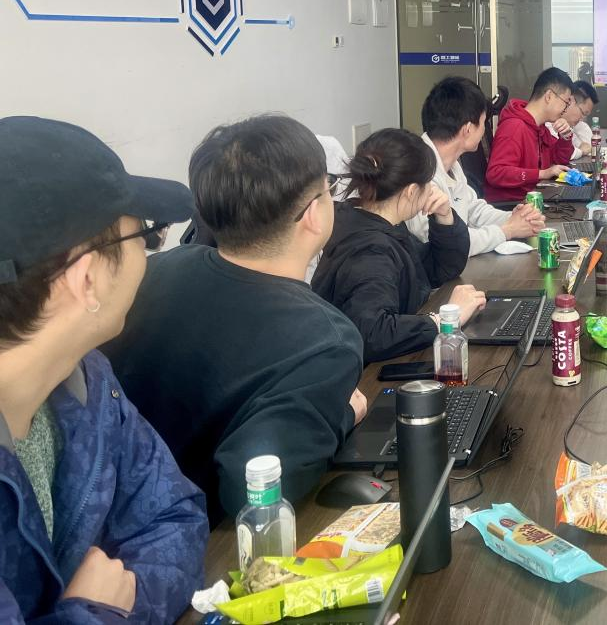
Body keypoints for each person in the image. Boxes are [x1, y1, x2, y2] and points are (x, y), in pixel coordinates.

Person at [103, 115, 366, 522]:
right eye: (329, 188)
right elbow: (249, 492)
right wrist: (342, 415)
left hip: (108, 519)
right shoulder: (325, 341)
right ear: (314, 214)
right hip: (204, 539)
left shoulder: (154, 270)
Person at [0, 117, 207, 623]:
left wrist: (116, 604)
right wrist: (91, 614)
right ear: (86, 277)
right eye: (146, 237)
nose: (147, 255)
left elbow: (175, 517)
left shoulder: (86, 381)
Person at [313, 128, 486, 362]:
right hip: (369, 374)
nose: (431, 191)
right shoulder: (371, 251)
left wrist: (444, 216)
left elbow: (437, 269)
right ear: (412, 191)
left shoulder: (371, 219)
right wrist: (445, 319)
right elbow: (374, 333)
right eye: (428, 183)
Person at [413, 76, 545, 257]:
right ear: (467, 129)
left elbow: (474, 209)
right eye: (483, 123)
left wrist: (512, 219)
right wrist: (507, 230)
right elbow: (441, 242)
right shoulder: (419, 171)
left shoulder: (451, 164)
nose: (484, 130)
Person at [484, 67, 576, 200]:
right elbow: (496, 173)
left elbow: (559, 160)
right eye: (566, 103)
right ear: (549, 96)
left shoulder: (540, 128)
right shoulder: (514, 127)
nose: (565, 109)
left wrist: (565, 137)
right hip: (513, 205)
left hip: (533, 199)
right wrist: (541, 174)